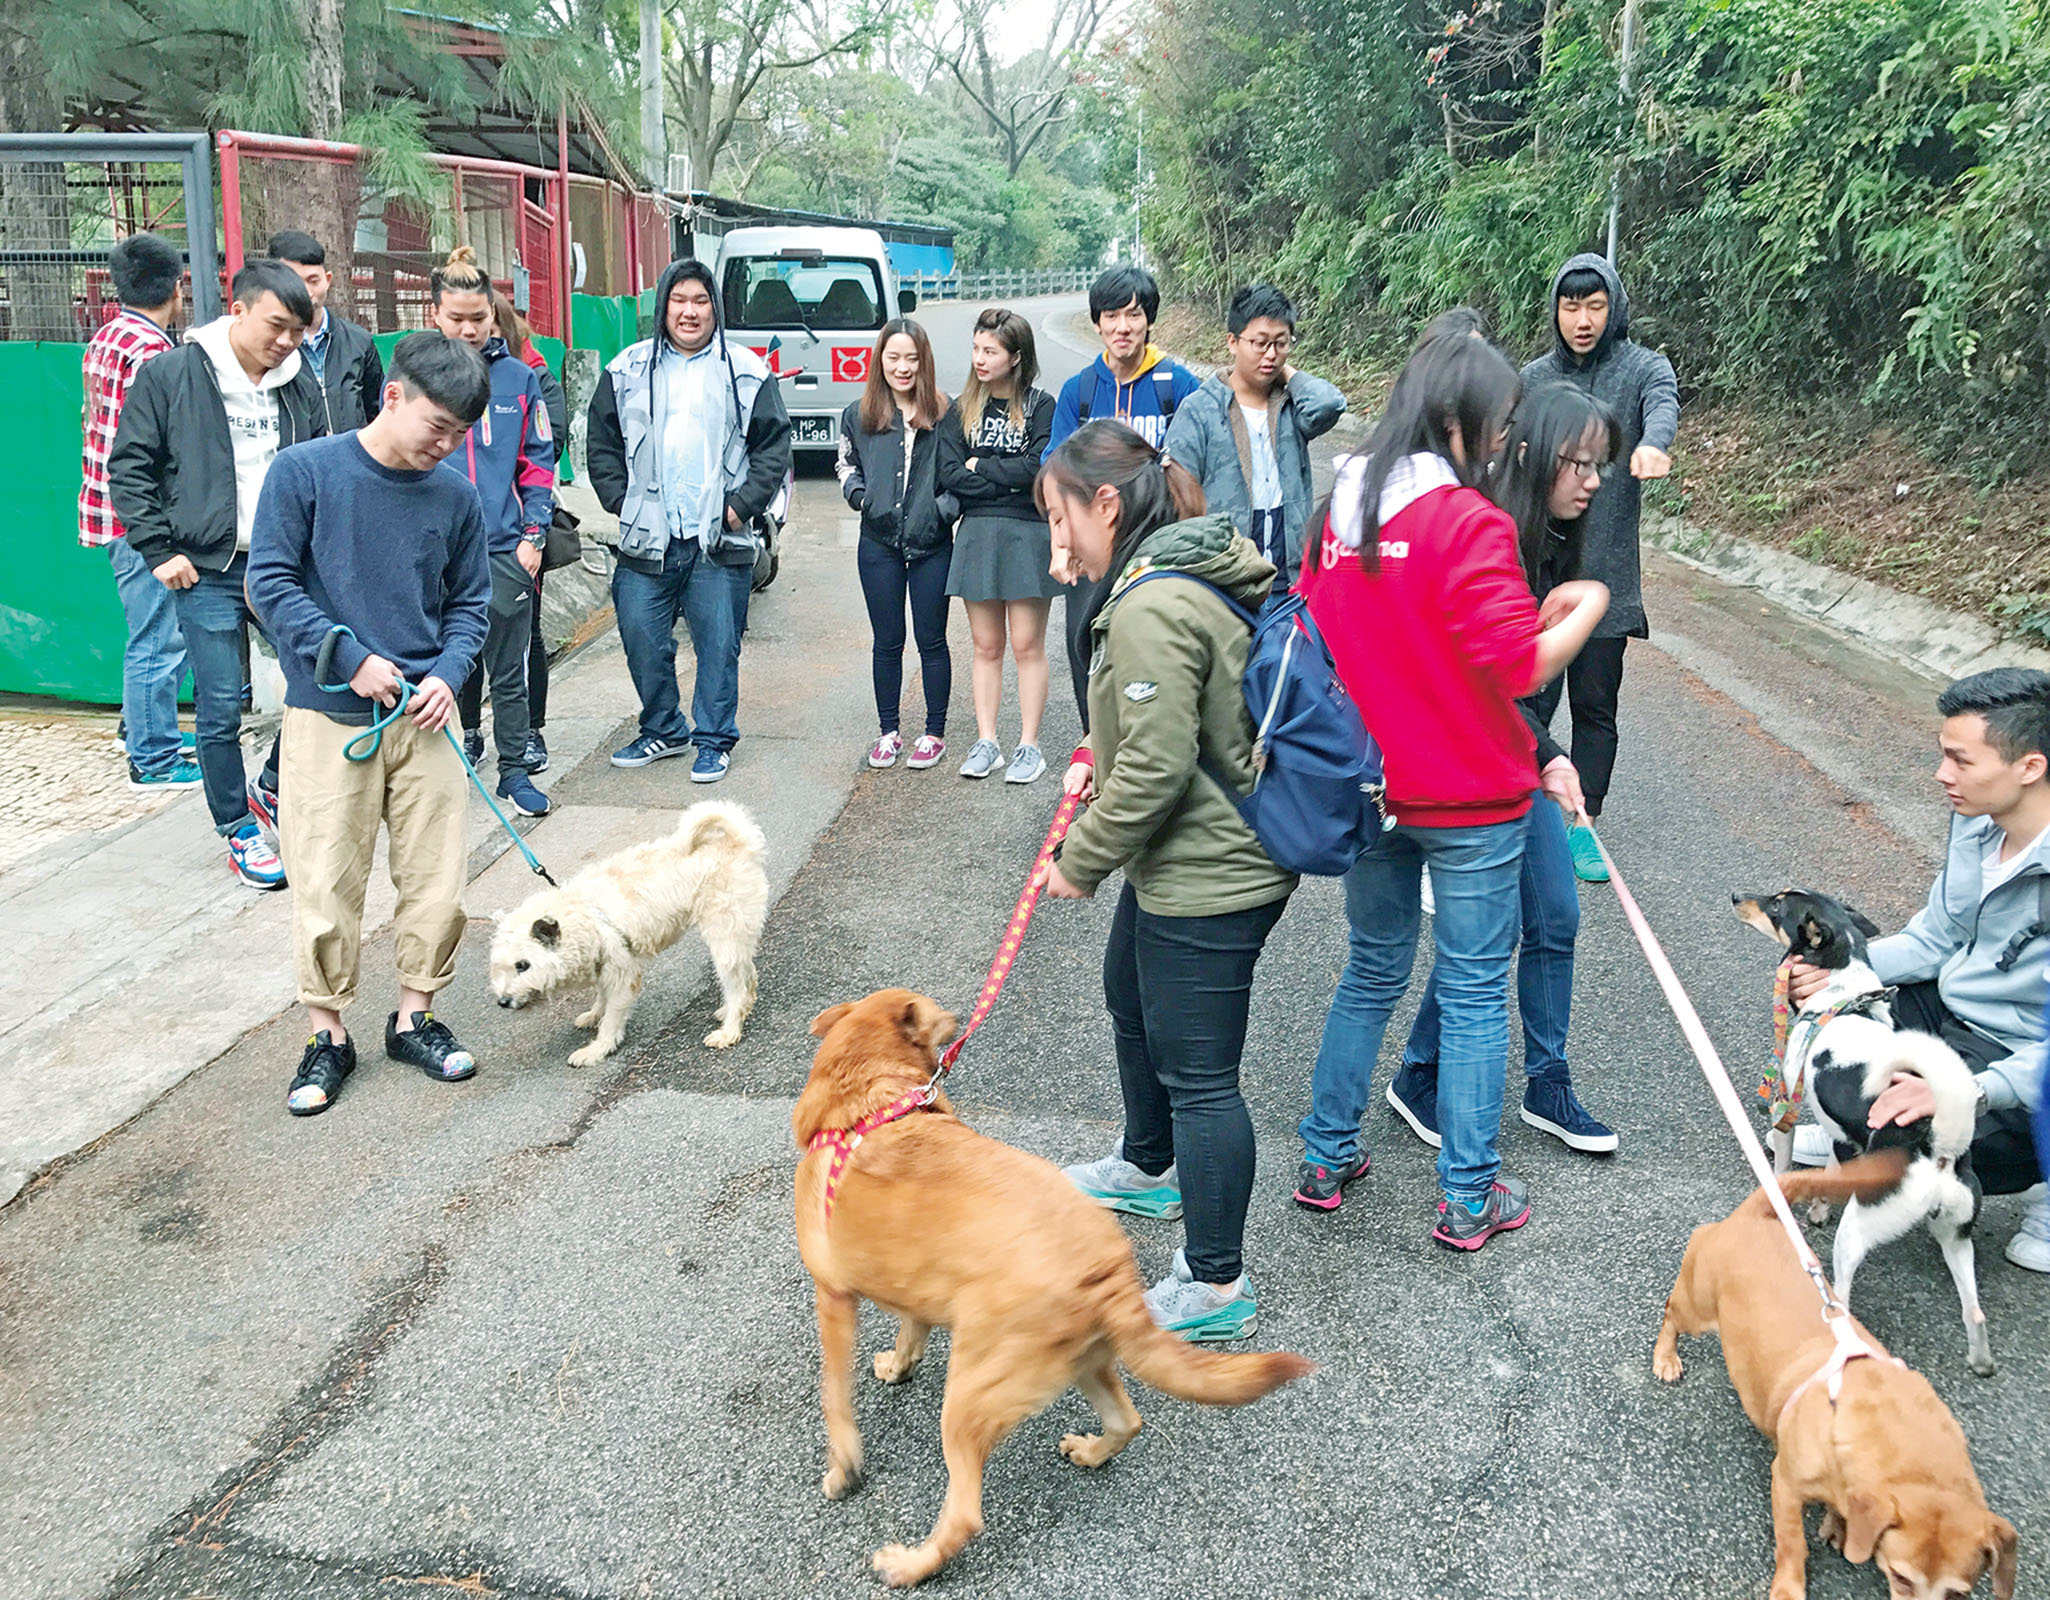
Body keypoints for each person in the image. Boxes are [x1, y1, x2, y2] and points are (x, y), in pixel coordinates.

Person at [1292, 334, 1609, 1250]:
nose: (1509, 443)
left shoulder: (1336, 515)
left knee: (1370, 971)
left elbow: (1344, 652)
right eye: (1503, 425)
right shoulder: (1465, 522)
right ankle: (1468, 1195)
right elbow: (1513, 663)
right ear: (1454, 420)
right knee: (1472, 991)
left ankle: (1325, 1156)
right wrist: (1582, 604)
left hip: (1372, 789)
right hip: (1469, 797)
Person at [1042, 421, 1296, 1341]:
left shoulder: (1152, 604)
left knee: (1201, 1073)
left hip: (1215, 869)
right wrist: (1092, 754)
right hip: (1186, 856)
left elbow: (1155, 767)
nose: (1056, 539)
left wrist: (1081, 857)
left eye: (1059, 517)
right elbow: (1148, 736)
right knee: (1129, 994)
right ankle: (1148, 1167)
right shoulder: (1169, 577)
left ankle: (1215, 1286)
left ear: (1105, 504)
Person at [1378, 382, 1626, 1181]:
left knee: (1551, 916)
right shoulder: (1487, 536)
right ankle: (1422, 1077)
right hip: (1469, 760)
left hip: (1514, 750)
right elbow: (1481, 675)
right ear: (1533, 454)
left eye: (1600, 466)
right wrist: (1548, 752)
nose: (1591, 480)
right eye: (1578, 463)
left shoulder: (1557, 535)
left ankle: (1542, 1085)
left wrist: (1544, 747)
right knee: (1492, 936)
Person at [246, 332, 494, 1117]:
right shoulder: (306, 472)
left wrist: (449, 678)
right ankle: (328, 1034)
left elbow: (469, 606)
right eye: (438, 426)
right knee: (324, 879)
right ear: (394, 395)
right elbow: (269, 582)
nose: (445, 445)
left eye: (459, 435)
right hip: (330, 713)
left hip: (425, 717)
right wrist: (346, 657)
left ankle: (413, 1017)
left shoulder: (454, 495)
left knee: (437, 882)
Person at [1786, 666, 2050, 1271]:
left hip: (2026, 1050)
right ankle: (1850, 1127)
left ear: (2029, 767)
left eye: (1961, 761)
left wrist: (1962, 1091)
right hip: (1959, 1010)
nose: (1942, 776)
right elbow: (1937, 936)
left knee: (1931, 1145)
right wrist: (1843, 970)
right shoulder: (1980, 820)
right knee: (1824, 990)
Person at [108, 257, 327, 888]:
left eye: (297, 331)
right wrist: (158, 549)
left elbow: (319, 466)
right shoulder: (172, 373)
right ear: (238, 309)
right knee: (220, 705)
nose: (285, 341)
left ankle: (276, 785)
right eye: (276, 325)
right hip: (205, 567)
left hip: (283, 563)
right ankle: (238, 828)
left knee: (322, 675)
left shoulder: (297, 381)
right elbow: (131, 468)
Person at [587, 257, 791, 785]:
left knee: (719, 643)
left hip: (718, 537)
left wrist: (740, 506)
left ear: (715, 308)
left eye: (701, 301)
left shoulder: (745, 369)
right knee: (640, 635)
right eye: (679, 300)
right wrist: (621, 501)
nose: (690, 311)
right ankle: (663, 727)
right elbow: (601, 441)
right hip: (646, 536)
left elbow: (773, 446)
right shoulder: (627, 367)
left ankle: (714, 738)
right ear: (663, 306)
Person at [1520, 252, 1680, 882]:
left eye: (1594, 305)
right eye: (1570, 305)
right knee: (1525, 704)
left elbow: (1662, 404)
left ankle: (1584, 827)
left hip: (1607, 579)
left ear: (1613, 308)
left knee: (1595, 708)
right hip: (1538, 575)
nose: (1581, 319)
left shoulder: (1642, 366)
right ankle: (1520, 813)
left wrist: (1651, 443)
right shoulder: (1534, 377)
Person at [1043, 266, 1203, 733]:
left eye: (1133, 314)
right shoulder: (1081, 391)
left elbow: (1195, 470)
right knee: (1085, 649)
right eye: (1111, 316)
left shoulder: (1178, 384)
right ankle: (1095, 751)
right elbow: (1054, 472)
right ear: (1097, 323)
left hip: (1159, 551)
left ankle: (1155, 750)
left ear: (1149, 319)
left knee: (1156, 655)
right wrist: (1061, 544)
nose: (1122, 327)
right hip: (1094, 551)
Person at [424, 248, 554, 820]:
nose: (469, 328)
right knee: (443, 662)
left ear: (492, 315)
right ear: (436, 315)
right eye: (456, 318)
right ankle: (448, 755)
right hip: (435, 553)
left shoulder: (520, 378)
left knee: (511, 666)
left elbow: (538, 462)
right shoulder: (415, 379)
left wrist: (534, 535)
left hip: (504, 548)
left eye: (478, 317)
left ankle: (516, 772)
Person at [78, 232, 197, 791]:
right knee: (157, 637)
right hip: (140, 520)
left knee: (149, 631)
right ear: (178, 287)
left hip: (109, 510)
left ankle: (147, 729)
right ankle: (153, 757)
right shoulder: (154, 352)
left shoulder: (107, 335)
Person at [936, 308, 1057, 783]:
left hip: (1028, 533)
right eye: (976, 349)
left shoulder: (1042, 405)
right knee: (986, 646)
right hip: (978, 532)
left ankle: (1030, 745)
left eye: (991, 351)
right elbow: (947, 473)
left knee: (1027, 645)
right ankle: (987, 741)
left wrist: (979, 467)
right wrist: (996, 478)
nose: (980, 359)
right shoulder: (960, 407)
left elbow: (1037, 470)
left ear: (1016, 356)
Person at [1162, 282, 1347, 590]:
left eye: (1281, 343)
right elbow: (1178, 497)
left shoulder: (1290, 406)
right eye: (1260, 343)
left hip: (1288, 573)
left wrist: (1289, 375)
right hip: (1226, 575)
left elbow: (1330, 404)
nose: (1271, 355)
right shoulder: (1200, 409)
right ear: (1233, 342)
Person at [835, 317, 957, 770]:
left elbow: (961, 475)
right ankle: (889, 732)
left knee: (932, 639)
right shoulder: (859, 414)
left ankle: (934, 732)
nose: (902, 367)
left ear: (923, 361)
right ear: (880, 360)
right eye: (893, 357)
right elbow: (846, 465)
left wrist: (942, 511)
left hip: (931, 545)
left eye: (911, 358)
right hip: (879, 544)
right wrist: (862, 499)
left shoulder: (947, 413)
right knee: (887, 641)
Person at [493, 298, 567, 775]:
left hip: (518, 530)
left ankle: (528, 731)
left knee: (524, 638)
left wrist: (532, 531)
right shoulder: (441, 377)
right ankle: (473, 731)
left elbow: (548, 445)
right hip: (464, 534)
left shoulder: (532, 377)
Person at [265, 230, 384, 434]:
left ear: (328, 279)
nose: (307, 292)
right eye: (295, 281)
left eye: (314, 281)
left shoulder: (359, 342)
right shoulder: (269, 347)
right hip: (297, 461)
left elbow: (377, 414)